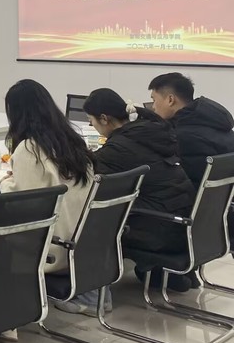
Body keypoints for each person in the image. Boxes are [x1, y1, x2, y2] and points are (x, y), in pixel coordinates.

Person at [0, 80, 99, 314]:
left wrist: (5, 184)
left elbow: (25, 205)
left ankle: (6, 310)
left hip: (52, 250)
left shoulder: (29, 149)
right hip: (82, 245)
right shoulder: (72, 142)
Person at [84, 88, 196, 292]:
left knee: (91, 217)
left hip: (162, 230)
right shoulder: (149, 132)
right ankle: (160, 273)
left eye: (91, 120)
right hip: (185, 223)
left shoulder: (118, 148)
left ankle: (89, 291)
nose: (93, 126)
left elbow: (88, 176)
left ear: (104, 118)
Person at [148, 72, 234, 187]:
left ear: (170, 100)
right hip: (223, 196)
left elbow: (186, 182)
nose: (153, 107)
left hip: (196, 196)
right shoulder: (211, 120)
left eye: (154, 100)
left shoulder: (183, 137)